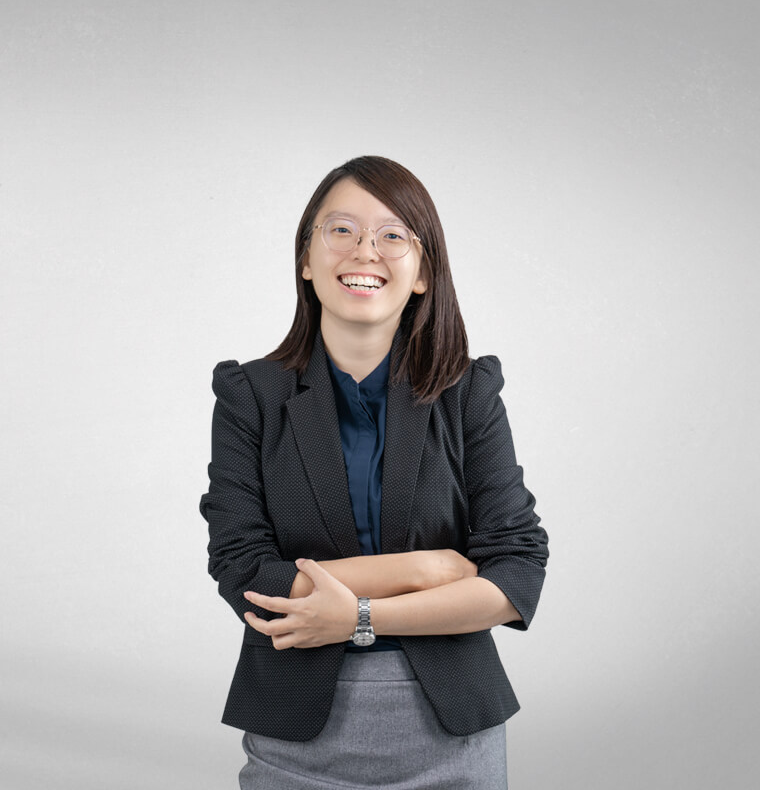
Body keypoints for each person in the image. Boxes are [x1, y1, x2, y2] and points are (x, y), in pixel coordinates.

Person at [199, 155, 549, 789]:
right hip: (293, 731)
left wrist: (359, 616)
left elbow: (516, 574)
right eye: (341, 229)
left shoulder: (467, 394)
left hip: (454, 730)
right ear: (306, 259)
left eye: (393, 235)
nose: (365, 250)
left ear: (423, 273)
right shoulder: (251, 395)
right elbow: (245, 572)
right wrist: (425, 569)